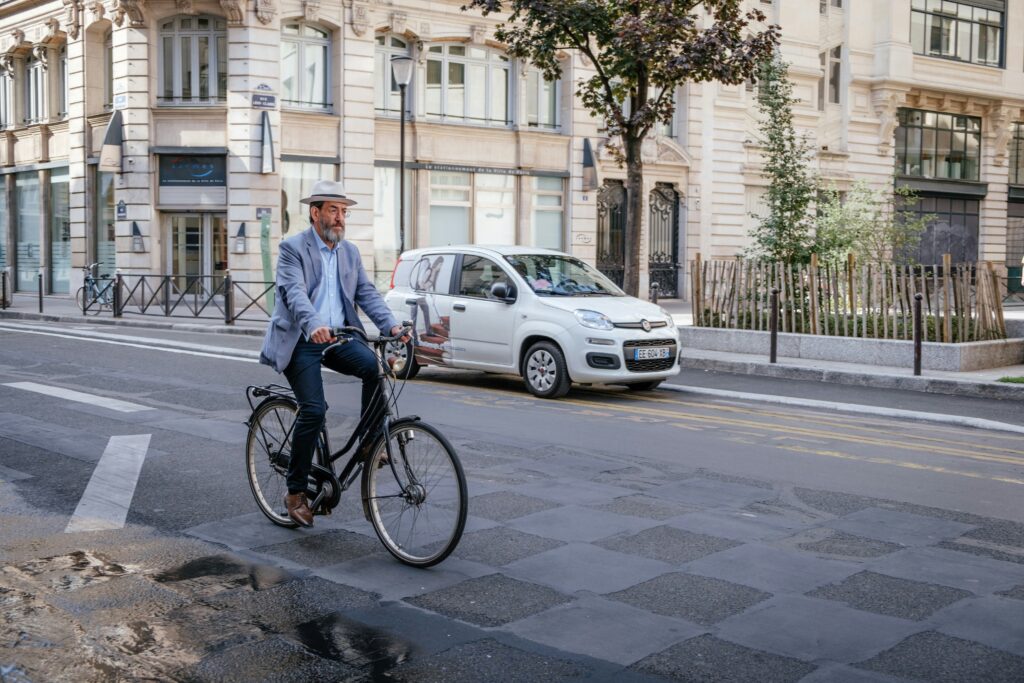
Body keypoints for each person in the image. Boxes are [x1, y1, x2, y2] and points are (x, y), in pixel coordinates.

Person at [259, 179, 408, 528]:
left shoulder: (349, 252)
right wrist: (312, 323)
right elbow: (294, 293)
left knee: (375, 368)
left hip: (339, 336)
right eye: (333, 210)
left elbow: (367, 294)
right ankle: (295, 492)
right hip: (301, 339)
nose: (340, 218)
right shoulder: (292, 248)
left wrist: (392, 326)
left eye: (344, 212)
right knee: (313, 409)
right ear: (315, 213)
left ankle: (371, 442)